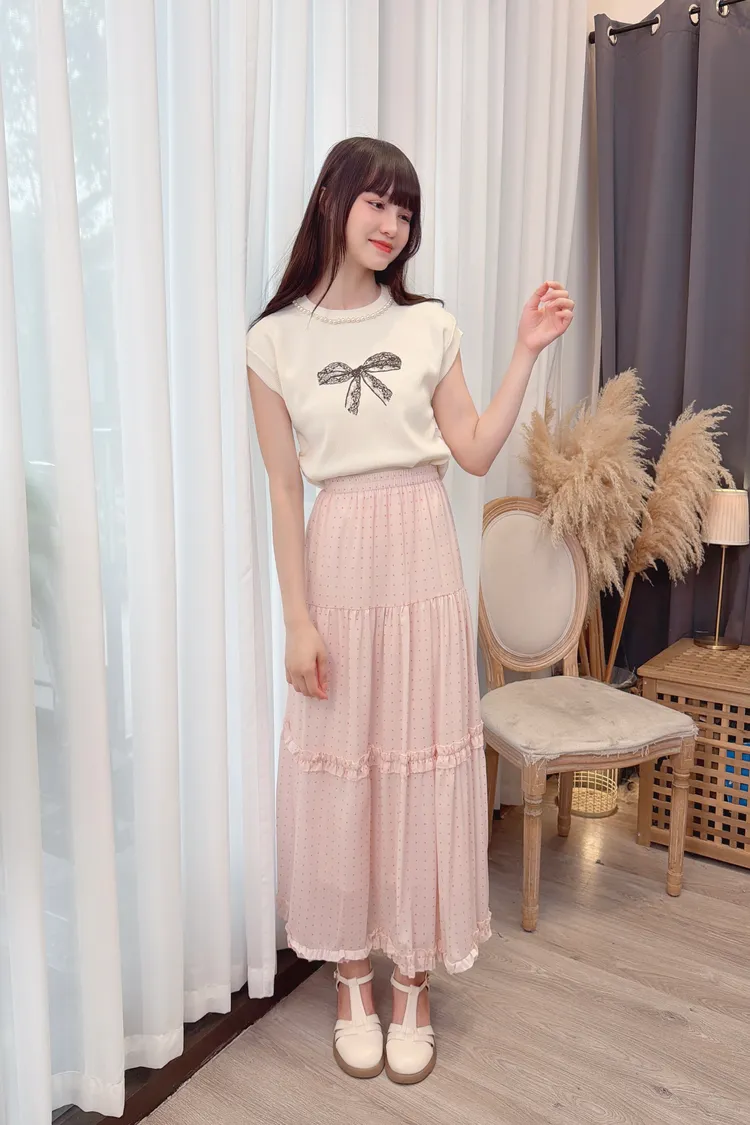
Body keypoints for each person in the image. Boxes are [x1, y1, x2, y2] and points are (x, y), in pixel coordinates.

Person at [245, 136, 574, 1085]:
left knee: (421, 757)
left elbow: (472, 449)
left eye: (405, 210)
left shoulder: (429, 324)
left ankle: (414, 982)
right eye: (377, 202)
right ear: (333, 201)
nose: (392, 224)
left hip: (422, 555)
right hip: (338, 559)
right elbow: (282, 492)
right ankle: (352, 976)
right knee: (344, 764)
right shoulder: (274, 342)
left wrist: (523, 353)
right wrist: (297, 620)